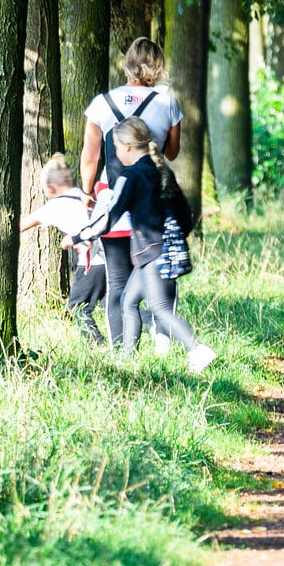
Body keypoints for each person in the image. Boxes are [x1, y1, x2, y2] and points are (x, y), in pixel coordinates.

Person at [81, 37, 184, 349]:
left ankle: (121, 353)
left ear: (126, 64)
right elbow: (173, 152)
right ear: (158, 65)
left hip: (112, 199)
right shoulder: (168, 103)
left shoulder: (101, 103)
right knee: (158, 276)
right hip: (152, 203)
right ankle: (163, 347)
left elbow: (90, 156)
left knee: (117, 283)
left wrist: (87, 194)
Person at [94, 116, 216, 373]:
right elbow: (185, 213)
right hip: (158, 251)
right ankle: (127, 361)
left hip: (152, 253)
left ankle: (197, 349)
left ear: (127, 146)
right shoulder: (161, 170)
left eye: (116, 146)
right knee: (128, 301)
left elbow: (111, 214)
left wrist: (78, 236)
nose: (115, 152)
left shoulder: (133, 175)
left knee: (160, 309)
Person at [18, 154, 105, 345]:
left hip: (92, 262)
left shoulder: (53, 207)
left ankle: (97, 343)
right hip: (112, 257)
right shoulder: (84, 196)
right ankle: (155, 323)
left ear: (50, 188)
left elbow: (20, 226)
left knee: (77, 307)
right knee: (115, 305)